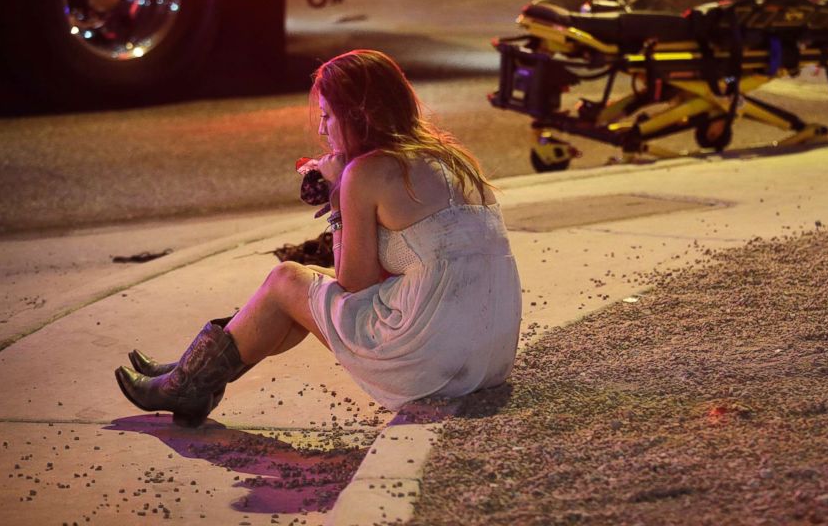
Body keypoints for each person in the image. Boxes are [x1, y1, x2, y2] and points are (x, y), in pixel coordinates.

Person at [115, 49, 523, 427]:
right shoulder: (453, 159)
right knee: (303, 288)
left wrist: (339, 200)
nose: (321, 128)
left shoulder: (366, 173)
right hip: (490, 357)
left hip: (431, 362)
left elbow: (354, 285)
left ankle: (188, 382)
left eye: (328, 116)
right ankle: (188, 377)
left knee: (286, 281)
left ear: (358, 114)